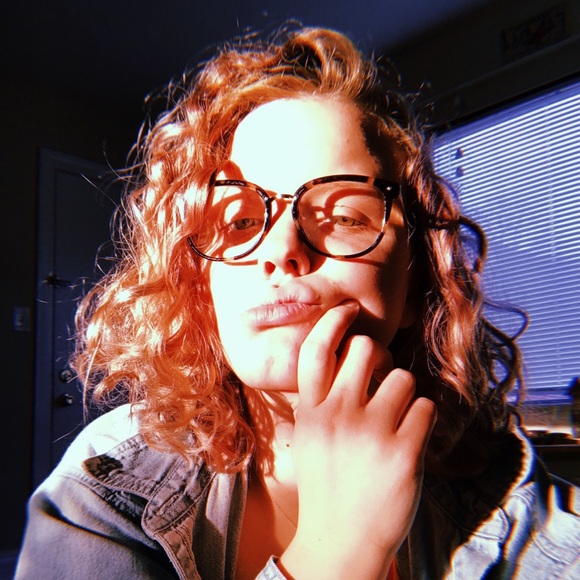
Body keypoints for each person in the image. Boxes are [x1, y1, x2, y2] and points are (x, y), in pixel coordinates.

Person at [16, 26, 579, 579]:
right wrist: (340, 551)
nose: (281, 249)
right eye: (239, 222)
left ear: (415, 284)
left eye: (345, 216)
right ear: (201, 290)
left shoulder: (508, 501)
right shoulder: (107, 488)